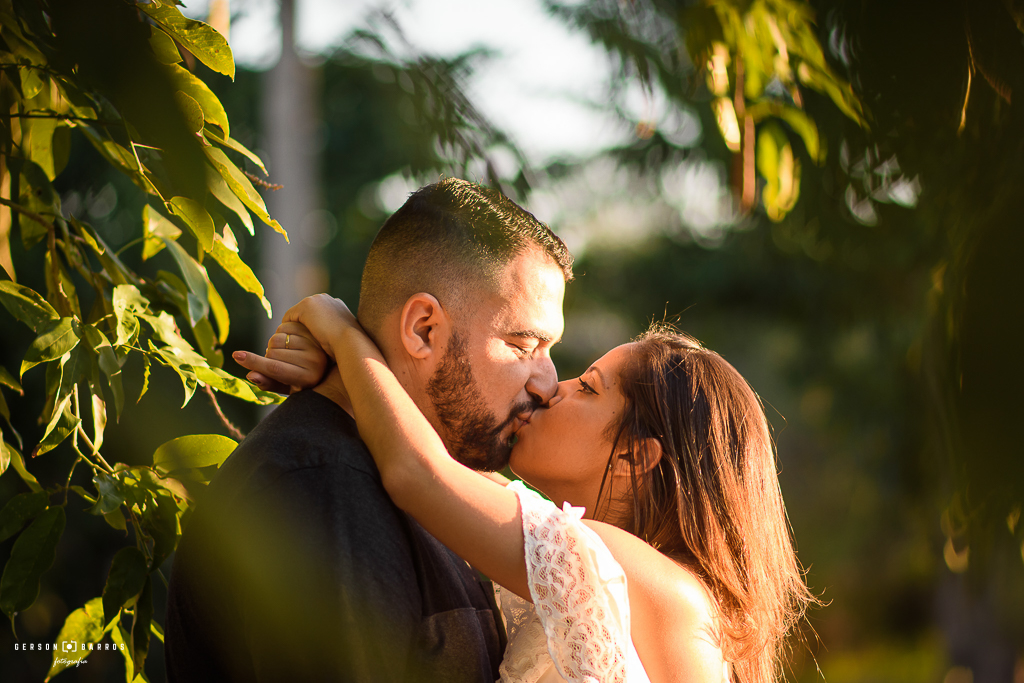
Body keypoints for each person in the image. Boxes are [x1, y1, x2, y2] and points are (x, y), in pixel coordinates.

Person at [237, 295, 818, 683]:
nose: (551, 388)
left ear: (640, 456)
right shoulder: (657, 585)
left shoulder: (614, 562)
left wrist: (339, 328)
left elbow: (420, 473)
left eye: (588, 387)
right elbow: (446, 464)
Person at [164, 178, 574, 682]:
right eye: (523, 344)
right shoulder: (322, 487)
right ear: (423, 328)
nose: (548, 382)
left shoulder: (433, 490)